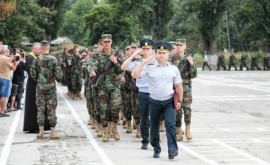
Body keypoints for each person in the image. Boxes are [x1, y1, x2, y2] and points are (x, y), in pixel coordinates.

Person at [132, 41, 183, 159]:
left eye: (164, 53)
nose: (161, 55)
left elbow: (179, 86)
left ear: (168, 54)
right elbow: (134, 75)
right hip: (154, 101)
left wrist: (179, 101)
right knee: (154, 127)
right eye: (159, 52)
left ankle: (172, 149)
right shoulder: (149, 67)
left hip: (169, 101)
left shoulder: (174, 69)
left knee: (170, 125)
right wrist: (145, 61)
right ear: (155, 53)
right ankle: (156, 147)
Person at [89, 34, 124, 142]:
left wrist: (115, 62)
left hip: (114, 86)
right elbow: (91, 64)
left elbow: (121, 69)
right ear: (102, 43)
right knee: (103, 110)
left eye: (109, 41)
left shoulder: (117, 55)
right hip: (102, 87)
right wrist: (91, 70)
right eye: (105, 42)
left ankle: (114, 129)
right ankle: (105, 132)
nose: (107, 43)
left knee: (115, 108)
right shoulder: (97, 55)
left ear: (111, 42)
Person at [121, 38, 155, 149]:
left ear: (152, 50)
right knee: (144, 117)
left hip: (155, 93)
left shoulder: (157, 62)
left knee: (156, 117)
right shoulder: (137, 63)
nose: (145, 51)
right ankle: (145, 140)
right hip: (143, 93)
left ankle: (154, 137)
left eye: (148, 49)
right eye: (143, 49)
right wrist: (134, 54)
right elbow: (124, 67)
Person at [30, 40, 63, 140]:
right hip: (51, 88)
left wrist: (40, 81)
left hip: (40, 88)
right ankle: (52, 133)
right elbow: (59, 75)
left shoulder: (36, 60)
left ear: (41, 48)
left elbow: (32, 74)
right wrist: (56, 79)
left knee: (40, 109)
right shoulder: (53, 60)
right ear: (48, 48)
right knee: (51, 109)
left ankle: (41, 132)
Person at [170, 39, 197, 141]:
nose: (179, 47)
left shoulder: (189, 58)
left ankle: (188, 130)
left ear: (185, 47)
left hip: (186, 89)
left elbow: (193, 75)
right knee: (177, 111)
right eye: (177, 45)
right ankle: (179, 132)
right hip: (174, 89)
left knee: (187, 111)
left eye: (181, 45)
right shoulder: (172, 59)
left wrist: (192, 64)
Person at [23, 42, 50, 132]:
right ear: (33, 49)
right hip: (33, 85)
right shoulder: (31, 58)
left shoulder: (36, 57)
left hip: (38, 84)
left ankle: (42, 125)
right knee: (34, 106)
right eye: (39, 49)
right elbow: (31, 71)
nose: (41, 51)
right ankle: (34, 126)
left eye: (41, 49)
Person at [0, 45, 18, 117]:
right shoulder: (7, 59)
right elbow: (13, 69)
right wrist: (14, 63)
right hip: (5, 78)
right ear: (4, 51)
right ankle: (2, 111)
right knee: (3, 96)